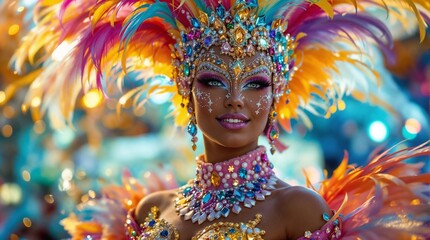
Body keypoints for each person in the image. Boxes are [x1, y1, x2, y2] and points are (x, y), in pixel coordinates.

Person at [10, 0, 430, 239]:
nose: (234, 100)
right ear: (187, 92)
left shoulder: (299, 210)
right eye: (212, 80)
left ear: (275, 96)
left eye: (255, 84)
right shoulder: (149, 210)